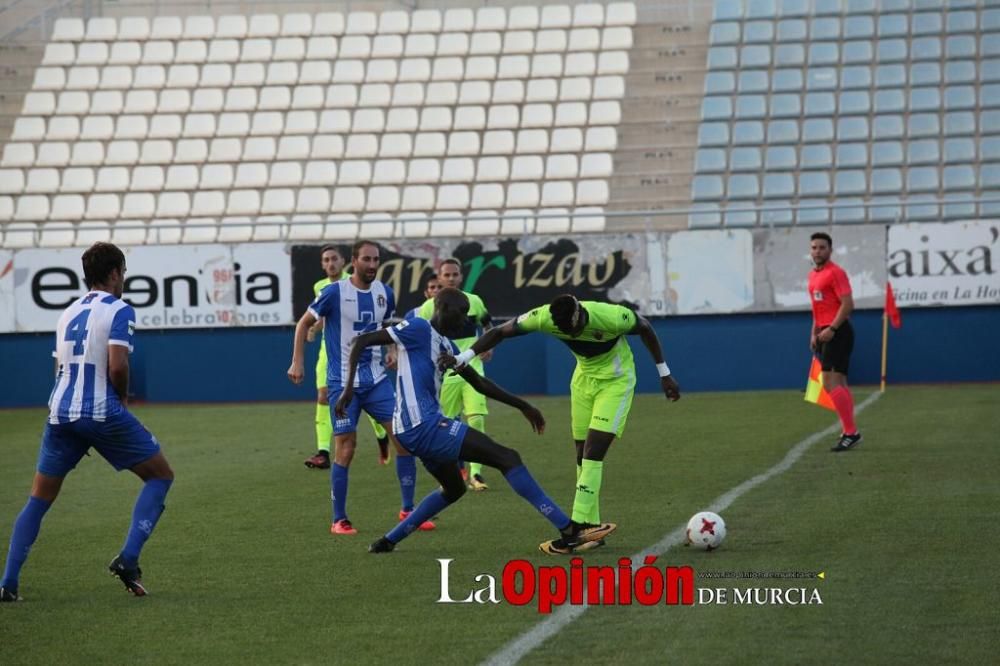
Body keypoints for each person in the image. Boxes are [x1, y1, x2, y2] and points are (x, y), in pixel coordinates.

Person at [335, 288, 616, 555]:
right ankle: (569, 530)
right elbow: (362, 340)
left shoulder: (446, 345)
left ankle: (388, 540)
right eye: (462, 312)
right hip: (422, 425)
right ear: (442, 308)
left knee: (454, 488)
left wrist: (523, 406)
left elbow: (479, 383)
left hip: (416, 428)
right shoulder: (419, 328)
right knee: (508, 457)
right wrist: (348, 389)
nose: (466, 319)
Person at [1, 242, 174, 600]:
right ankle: (128, 558)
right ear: (114, 274)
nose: (123, 278)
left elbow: (58, 367)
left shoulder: (67, 312)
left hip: (60, 413)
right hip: (101, 410)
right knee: (160, 476)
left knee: (38, 499)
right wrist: (122, 400)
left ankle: (8, 583)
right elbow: (117, 364)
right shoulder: (120, 309)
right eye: (123, 272)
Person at [445, 295, 680, 554]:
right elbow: (500, 331)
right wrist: (465, 356)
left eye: (575, 329)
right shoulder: (544, 317)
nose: (572, 334)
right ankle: (592, 528)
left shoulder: (611, 316)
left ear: (580, 314)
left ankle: (576, 529)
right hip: (582, 381)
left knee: (593, 452)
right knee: (581, 455)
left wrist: (665, 374)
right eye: (566, 332)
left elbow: (645, 327)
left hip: (616, 383)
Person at [288, 240, 433, 535]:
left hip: (378, 380)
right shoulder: (333, 293)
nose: (371, 264)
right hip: (343, 383)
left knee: (404, 439)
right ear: (353, 261)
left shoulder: (385, 293)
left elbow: (389, 328)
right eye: (366, 259)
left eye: (375, 259)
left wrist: (392, 350)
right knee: (346, 448)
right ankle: (339, 519)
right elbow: (303, 324)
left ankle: (408, 510)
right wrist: (297, 362)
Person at [304, 245, 390, 469]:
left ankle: (382, 435)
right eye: (326, 260)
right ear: (322, 264)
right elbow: (324, 314)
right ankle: (323, 450)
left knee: (366, 397)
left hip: (363, 353)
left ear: (345, 262)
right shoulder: (320, 286)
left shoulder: (353, 283)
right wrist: (314, 328)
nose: (330, 263)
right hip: (331, 351)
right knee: (323, 396)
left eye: (334, 259)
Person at [416, 259, 493, 491]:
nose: (450, 278)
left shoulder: (475, 301)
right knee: (444, 425)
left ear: (461, 277)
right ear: (439, 278)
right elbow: (420, 337)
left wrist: (489, 346)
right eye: (446, 275)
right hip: (445, 374)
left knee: (476, 417)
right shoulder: (429, 308)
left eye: (455, 274)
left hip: (472, 368)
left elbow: (489, 325)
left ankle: (476, 474)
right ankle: (450, 475)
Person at [808, 232, 861, 452]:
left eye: (822, 247)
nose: (817, 251)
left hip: (837, 332)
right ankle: (849, 430)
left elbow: (847, 304)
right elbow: (817, 307)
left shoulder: (836, 273)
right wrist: (814, 332)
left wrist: (832, 328)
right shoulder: (812, 275)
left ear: (830, 250)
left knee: (830, 383)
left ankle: (851, 432)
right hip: (824, 331)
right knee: (838, 382)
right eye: (814, 248)